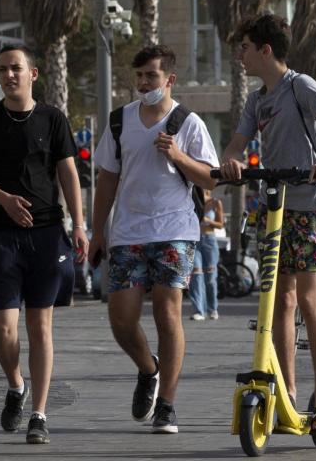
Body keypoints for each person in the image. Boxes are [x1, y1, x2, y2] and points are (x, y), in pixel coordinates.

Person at [219, 14, 316, 434]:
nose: (239, 56)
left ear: (265, 50)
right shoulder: (257, 100)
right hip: (274, 206)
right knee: (279, 300)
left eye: (244, 48)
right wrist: (232, 162)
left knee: (310, 299)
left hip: (311, 205)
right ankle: (287, 392)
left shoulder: (301, 85)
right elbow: (236, 144)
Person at [89, 44, 219, 434]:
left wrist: (179, 156)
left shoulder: (188, 122)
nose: (145, 82)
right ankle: (149, 369)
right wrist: (98, 231)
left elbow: (211, 180)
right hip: (128, 233)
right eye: (140, 75)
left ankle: (167, 405)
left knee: (167, 313)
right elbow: (107, 178)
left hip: (175, 231)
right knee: (122, 320)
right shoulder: (120, 121)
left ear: (170, 80)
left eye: (152, 76)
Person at [0, 44, 88, 445]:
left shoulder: (52, 119)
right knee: (3, 328)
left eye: (16, 68)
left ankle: (39, 413)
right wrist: (4, 199)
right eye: (2, 70)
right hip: (0, 234)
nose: (8, 75)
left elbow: (68, 173)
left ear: (33, 74)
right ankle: (16, 384)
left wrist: (80, 225)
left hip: (47, 234)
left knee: (40, 326)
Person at [189, 190, 223, 321]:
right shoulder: (190, 200)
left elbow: (220, 225)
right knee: (196, 274)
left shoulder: (215, 202)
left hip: (209, 240)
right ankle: (199, 311)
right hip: (194, 240)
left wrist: (209, 221)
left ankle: (212, 309)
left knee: (210, 277)